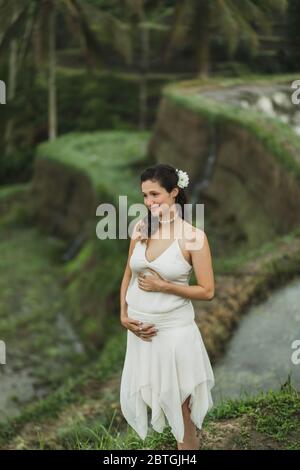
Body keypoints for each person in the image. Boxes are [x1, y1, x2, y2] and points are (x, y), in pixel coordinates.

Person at [119, 163, 215, 450]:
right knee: (158, 398)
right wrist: (124, 315)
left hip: (174, 334)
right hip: (140, 334)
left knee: (181, 408)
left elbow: (207, 291)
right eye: (145, 196)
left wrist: (166, 287)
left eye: (155, 195)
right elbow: (128, 274)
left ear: (174, 192)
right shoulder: (140, 229)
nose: (149, 202)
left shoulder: (194, 238)